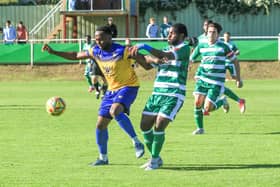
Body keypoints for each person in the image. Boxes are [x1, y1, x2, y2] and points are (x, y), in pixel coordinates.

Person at [42, 26, 145, 166]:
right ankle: (103, 158)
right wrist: (54, 52)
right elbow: (75, 55)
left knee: (115, 111)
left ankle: (136, 142)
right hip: (111, 90)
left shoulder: (122, 51)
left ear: (110, 37)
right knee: (100, 125)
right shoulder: (95, 50)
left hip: (128, 86)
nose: (98, 41)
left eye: (101, 39)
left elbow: (145, 60)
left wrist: (154, 59)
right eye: (96, 39)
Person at [128, 23, 190, 170]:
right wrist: (136, 56)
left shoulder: (184, 49)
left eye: (172, 33)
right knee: (144, 126)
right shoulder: (164, 50)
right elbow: (148, 66)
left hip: (174, 93)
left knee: (160, 124)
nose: (168, 36)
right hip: (157, 94)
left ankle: (154, 160)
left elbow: (166, 56)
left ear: (181, 36)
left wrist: (145, 46)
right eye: (168, 33)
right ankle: (156, 157)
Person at [190, 22, 242, 135]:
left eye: (214, 32)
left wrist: (238, 78)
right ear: (206, 33)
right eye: (209, 32)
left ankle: (222, 101)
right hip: (203, 79)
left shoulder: (223, 47)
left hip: (216, 82)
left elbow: (235, 62)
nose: (211, 34)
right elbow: (191, 59)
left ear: (218, 35)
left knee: (207, 108)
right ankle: (200, 129)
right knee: (197, 103)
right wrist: (188, 65)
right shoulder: (201, 45)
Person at [223, 31, 246, 113]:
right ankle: (224, 101)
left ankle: (239, 80)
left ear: (230, 37)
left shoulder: (232, 44)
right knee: (219, 80)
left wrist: (233, 53)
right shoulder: (222, 44)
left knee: (234, 78)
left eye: (228, 36)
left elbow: (238, 51)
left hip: (231, 63)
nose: (226, 38)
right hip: (223, 63)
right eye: (225, 36)